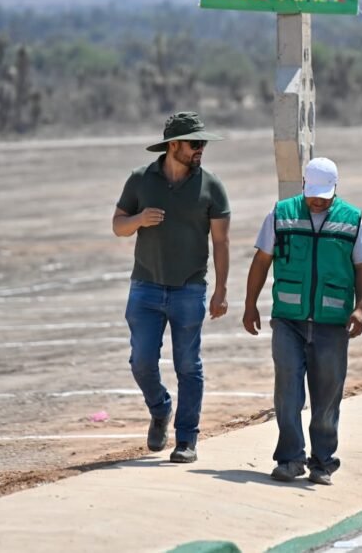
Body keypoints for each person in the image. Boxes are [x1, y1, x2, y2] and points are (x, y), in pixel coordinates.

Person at [243, 157, 362, 486]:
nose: (318, 201)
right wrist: (250, 305)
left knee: (327, 396)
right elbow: (262, 261)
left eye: (325, 195)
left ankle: (322, 462)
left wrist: (360, 308)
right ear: (304, 186)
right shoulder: (281, 214)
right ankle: (290, 459)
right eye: (313, 193)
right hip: (287, 321)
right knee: (287, 392)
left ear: (336, 191)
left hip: (332, 323)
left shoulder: (352, 220)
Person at [112, 111, 231, 464]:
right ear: (173, 145)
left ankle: (186, 439)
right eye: (195, 143)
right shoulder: (139, 180)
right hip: (145, 288)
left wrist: (221, 289)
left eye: (203, 143)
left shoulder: (211, 186)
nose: (201, 149)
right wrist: (138, 220)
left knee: (188, 366)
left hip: (189, 290)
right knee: (142, 361)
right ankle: (160, 408)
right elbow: (118, 225)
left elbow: (221, 242)